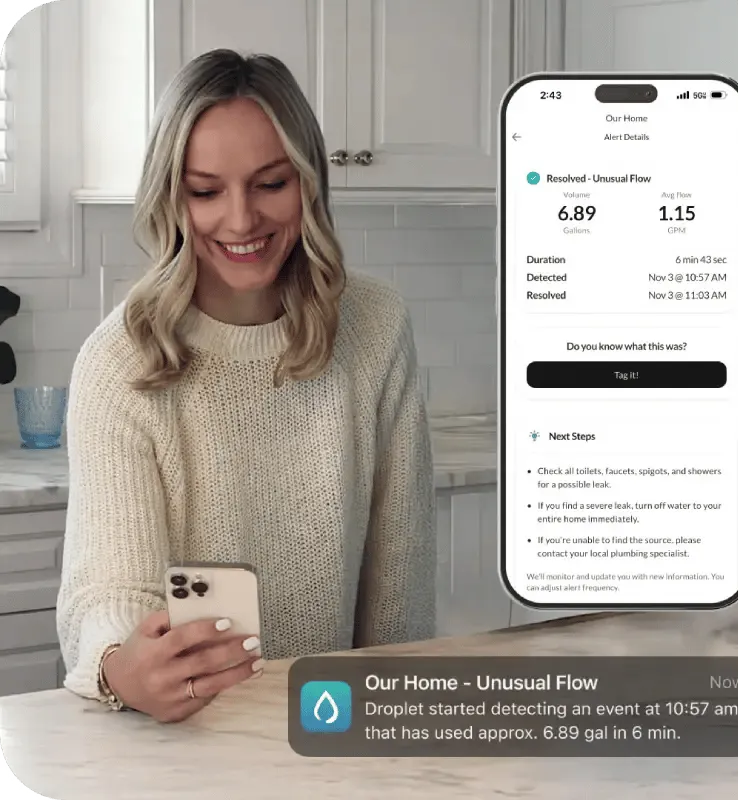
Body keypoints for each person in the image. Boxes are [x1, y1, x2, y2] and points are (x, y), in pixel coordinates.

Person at [56, 49, 436, 723]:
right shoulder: (121, 364)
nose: (240, 221)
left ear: (311, 181)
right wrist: (121, 667)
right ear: (170, 195)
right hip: (185, 744)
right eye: (205, 191)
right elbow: (108, 591)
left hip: (333, 732)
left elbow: (398, 592)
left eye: (271, 183)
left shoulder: (376, 330)